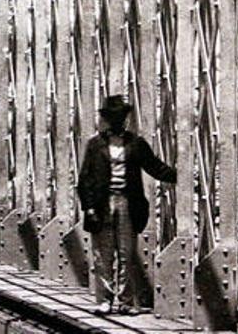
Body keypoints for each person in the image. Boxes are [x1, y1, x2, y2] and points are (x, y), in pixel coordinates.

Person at [77, 95, 177, 315]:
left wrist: (179, 175)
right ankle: (104, 300)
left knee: (126, 253)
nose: (116, 121)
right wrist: (89, 208)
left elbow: (153, 166)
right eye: (112, 117)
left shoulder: (135, 143)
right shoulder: (95, 144)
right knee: (103, 255)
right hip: (102, 204)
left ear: (124, 118)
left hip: (127, 202)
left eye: (120, 117)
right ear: (106, 119)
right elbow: (85, 179)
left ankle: (125, 301)